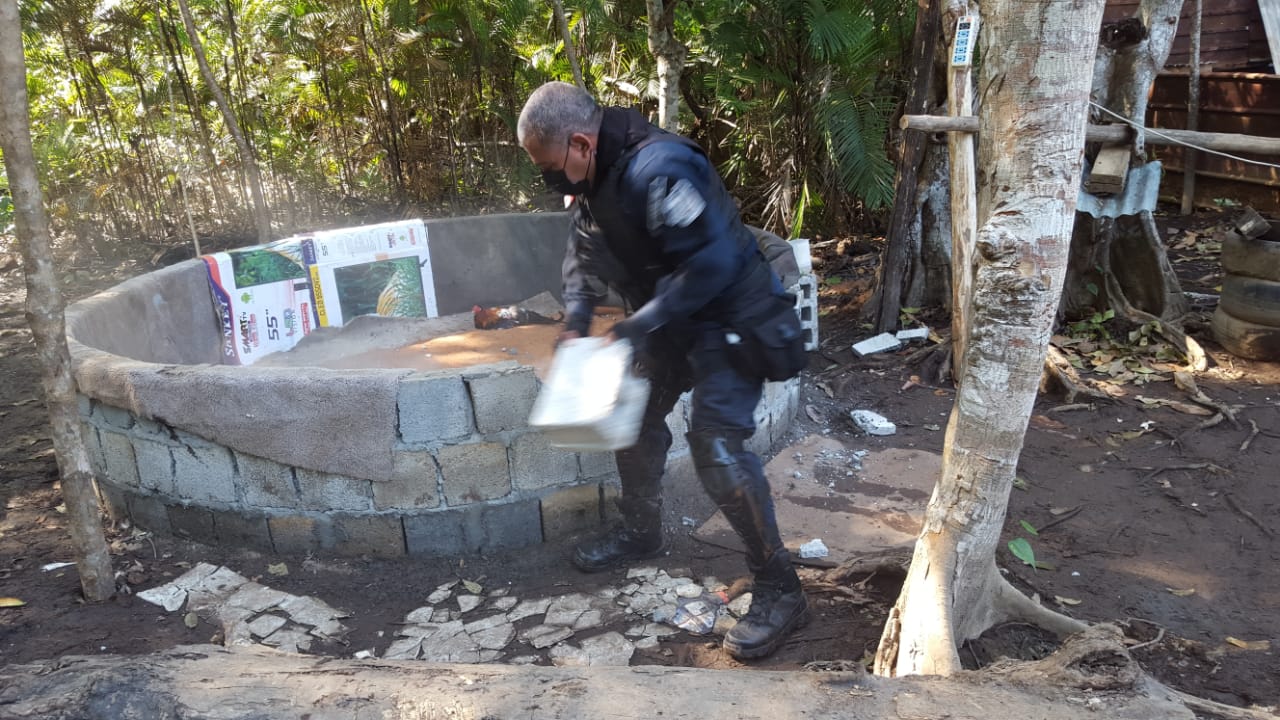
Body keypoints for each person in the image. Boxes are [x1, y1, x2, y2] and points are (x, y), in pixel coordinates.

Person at [517, 81, 808, 660]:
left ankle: (780, 588)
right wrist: (576, 318)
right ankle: (641, 531)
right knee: (633, 417)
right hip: (670, 324)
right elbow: (584, 254)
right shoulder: (596, 178)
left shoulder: (663, 168)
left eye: (551, 166)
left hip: (730, 318)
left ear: (579, 142)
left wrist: (629, 327)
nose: (551, 178)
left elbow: (712, 265)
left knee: (717, 449)